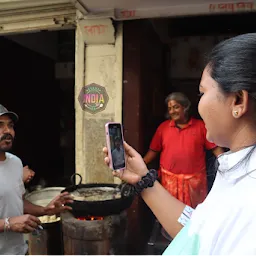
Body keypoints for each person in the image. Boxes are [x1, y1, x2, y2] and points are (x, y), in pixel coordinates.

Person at [103, 33, 256, 255]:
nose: (199, 103)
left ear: (238, 101)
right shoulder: (234, 171)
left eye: (202, 92)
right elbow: (198, 229)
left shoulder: (249, 202)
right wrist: (143, 179)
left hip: (192, 184)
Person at [0, 104, 73, 255]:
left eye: (10, 126)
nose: (8, 131)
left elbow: (18, 201)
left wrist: (45, 210)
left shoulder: (15, 163)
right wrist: (8, 224)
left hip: (19, 251)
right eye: (0, 126)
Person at [143, 92, 223, 208]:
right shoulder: (163, 128)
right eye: (170, 108)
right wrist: (140, 164)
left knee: (194, 216)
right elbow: (153, 151)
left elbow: (216, 149)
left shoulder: (201, 126)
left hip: (195, 184)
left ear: (185, 107)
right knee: (169, 214)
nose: (172, 111)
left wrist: (228, 165)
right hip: (169, 183)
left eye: (176, 107)